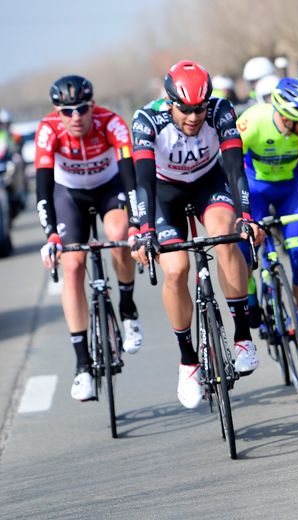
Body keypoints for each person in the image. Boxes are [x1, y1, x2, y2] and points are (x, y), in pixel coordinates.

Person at [130, 60, 261, 409]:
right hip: (165, 191)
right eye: (185, 109)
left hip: (207, 183)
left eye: (199, 109)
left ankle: (243, 335)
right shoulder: (147, 121)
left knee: (226, 235)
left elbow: (235, 169)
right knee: (175, 269)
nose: (193, 117)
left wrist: (246, 217)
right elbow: (143, 181)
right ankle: (187, 361)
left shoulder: (220, 111)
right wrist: (144, 231)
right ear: (169, 102)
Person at [35, 75, 143, 401]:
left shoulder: (112, 123)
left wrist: (138, 223)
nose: (75, 117)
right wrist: (51, 234)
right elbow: (42, 187)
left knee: (119, 234)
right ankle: (82, 366)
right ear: (57, 111)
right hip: (69, 195)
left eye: (81, 109)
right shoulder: (47, 130)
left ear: (92, 106)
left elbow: (130, 176)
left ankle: (127, 310)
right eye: (67, 111)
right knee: (72, 266)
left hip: (109, 189)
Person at [236, 77, 298, 369]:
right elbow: (230, 163)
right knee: (245, 246)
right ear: (284, 116)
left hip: (291, 189)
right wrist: (245, 215)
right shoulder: (253, 120)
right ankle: (249, 292)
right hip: (255, 188)